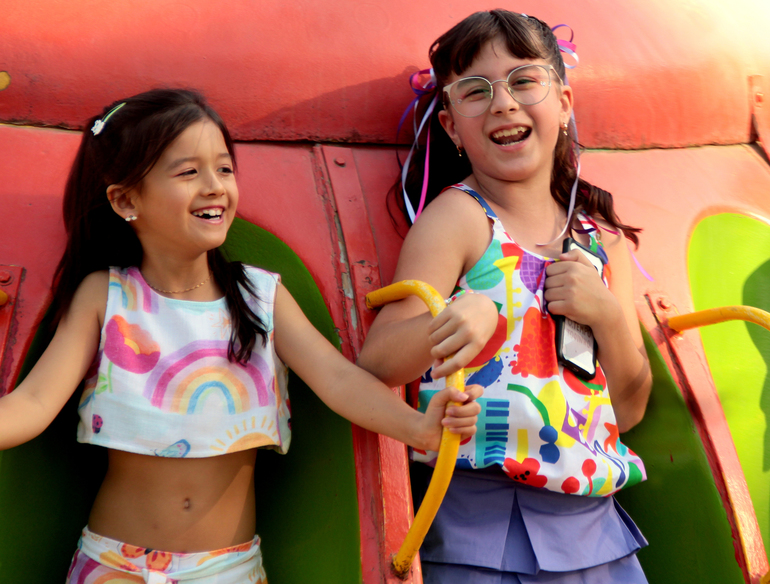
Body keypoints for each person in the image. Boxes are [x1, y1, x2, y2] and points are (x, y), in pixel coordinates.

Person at [0, 89, 481, 582]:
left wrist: (418, 427)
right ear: (126, 199)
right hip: (114, 565)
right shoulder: (105, 297)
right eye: (188, 172)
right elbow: (34, 403)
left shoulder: (259, 297)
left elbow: (338, 381)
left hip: (227, 569)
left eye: (225, 169)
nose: (214, 187)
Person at [357, 10, 653, 584]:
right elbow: (380, 359)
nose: (503, 103)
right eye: (476, 91)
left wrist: (608, 316)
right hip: (481, 531)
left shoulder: (599, 244)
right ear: (449, 125)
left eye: (524, 81)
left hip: (599, 531)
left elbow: (632, 408)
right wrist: (451, 325)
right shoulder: (459, 220)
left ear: (563, 103)